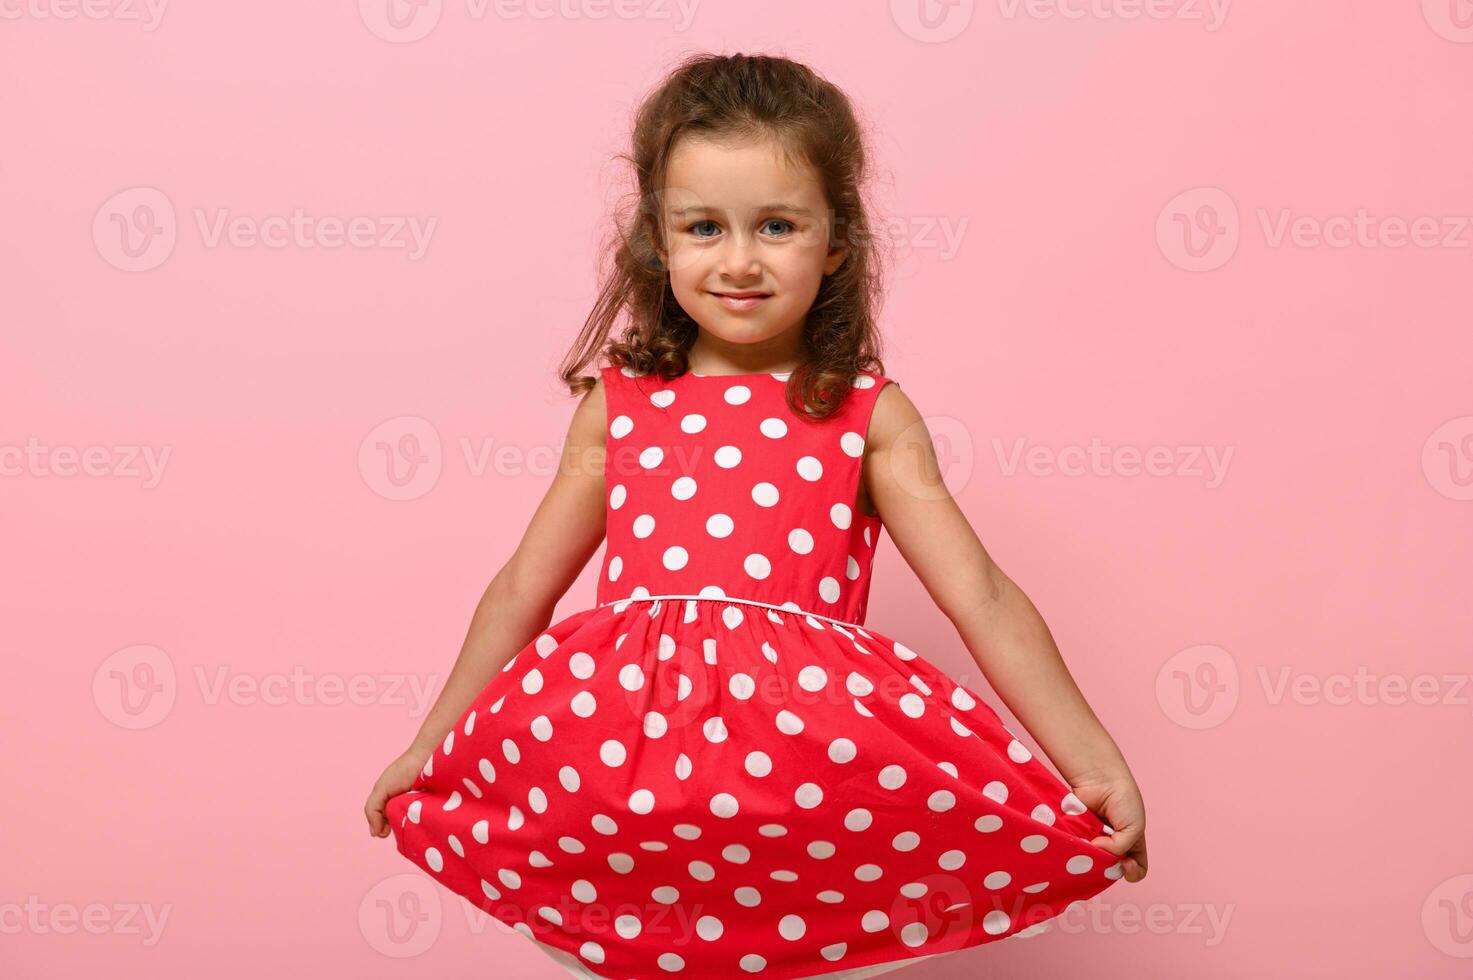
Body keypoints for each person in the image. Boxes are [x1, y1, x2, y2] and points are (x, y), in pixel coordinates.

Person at [364, 51, 1147, 980]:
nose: (738, 260)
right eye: (703, 227)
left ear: (837, 241)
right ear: (658, 240)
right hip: (616, 782)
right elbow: (521, 589)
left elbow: (979, 593)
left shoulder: (863, 411)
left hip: (803, 786)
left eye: (776, 225)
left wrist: (1092, 760)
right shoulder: (620, 406)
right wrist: (429, 742)